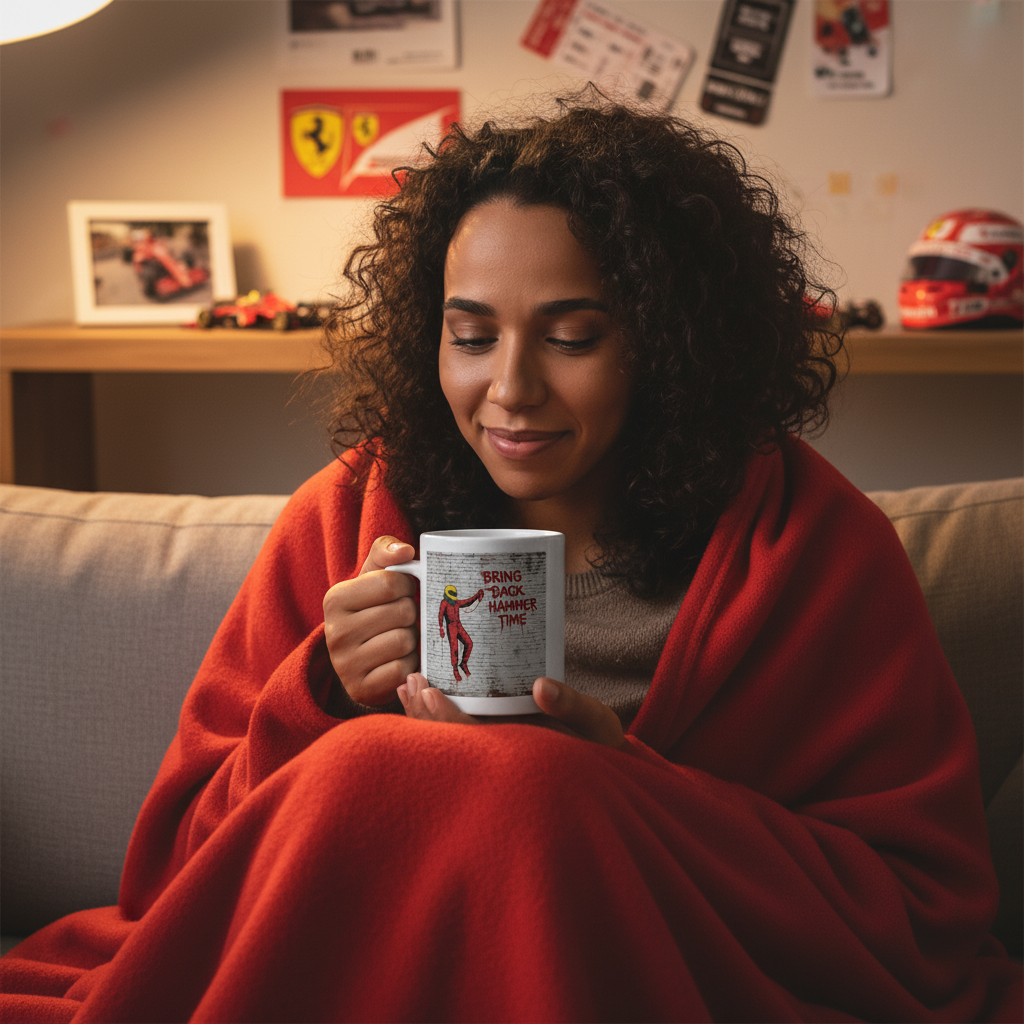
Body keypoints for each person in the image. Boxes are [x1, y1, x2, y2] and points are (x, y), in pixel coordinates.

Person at [2, 91, 1020, 1023]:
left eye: (571, 337)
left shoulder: (809, 548)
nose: (511, 389)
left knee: (520, 784)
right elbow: (181, 880)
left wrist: (618, 789)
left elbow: (917, 914)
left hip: (636, 983)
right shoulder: (347, 519)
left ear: (667, 345)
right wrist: (318, 693)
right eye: (472, 336)